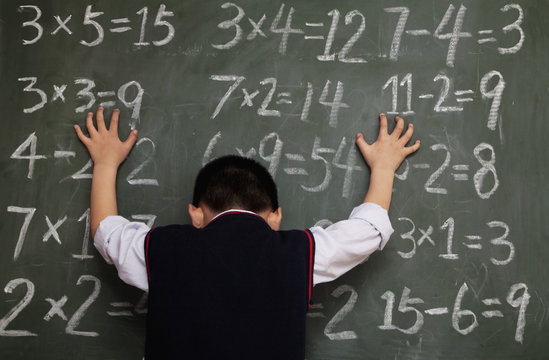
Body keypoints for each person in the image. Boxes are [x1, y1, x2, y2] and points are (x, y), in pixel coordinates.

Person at [74, 107, 420, 359]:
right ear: (275, 216)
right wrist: (385, 166)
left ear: (196, 213)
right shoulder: (299, 253)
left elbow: (106, 232)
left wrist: (105, 162)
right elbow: (370, 228)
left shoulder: (161, 250)